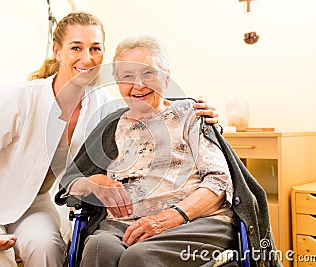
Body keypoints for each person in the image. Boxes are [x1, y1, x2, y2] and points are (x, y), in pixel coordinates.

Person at [0, 12, 219, 267]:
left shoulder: (103, 105)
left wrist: (196, 109)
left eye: (95, 48)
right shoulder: (17, 98)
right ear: (57, 50)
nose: (87, 58)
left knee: (49, 249)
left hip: (36, 205)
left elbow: (153, 105)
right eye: (76, 47)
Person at [55, 35, 236, 267]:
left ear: (166, 76)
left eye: (148, 73)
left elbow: (220, 183)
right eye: (127, 77)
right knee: (98, 248)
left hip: (195, 222)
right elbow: (70, 183)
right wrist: (92, 183)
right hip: (124, 224)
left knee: (139, 257)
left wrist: (171, 217)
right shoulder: (112, 125)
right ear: (118, 82)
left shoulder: (191, 114)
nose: (138, 85)